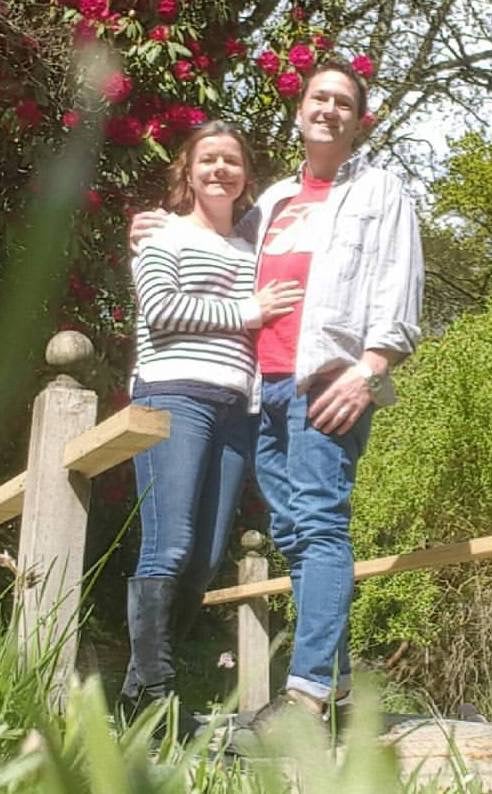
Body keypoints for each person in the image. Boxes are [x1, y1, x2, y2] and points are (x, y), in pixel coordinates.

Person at [129, 59, 424, 738]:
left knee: (320, 525)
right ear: (299, 111)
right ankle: (339, 683)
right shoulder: (273, 202)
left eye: (343, 102)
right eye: (318, 96)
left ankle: (307, 695)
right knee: (294, 534)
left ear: (359, 120)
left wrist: (370, 371)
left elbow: (400, 295)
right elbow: (209, 242)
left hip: (329, 381)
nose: (328, 109)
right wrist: (152, 228)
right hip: (264, 393)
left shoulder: (381, 191)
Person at [121, 120, 303, 740]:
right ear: (188, 171)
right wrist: (249, 312)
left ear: (245, 176)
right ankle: (161, 698)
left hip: (234, 409)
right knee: (167, 546)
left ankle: (134, 699)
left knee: (203, 558)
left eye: (231, 161)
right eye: (208, 160)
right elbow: (163, 311)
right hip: (173, 393)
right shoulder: (162, 235)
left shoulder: (251, 250)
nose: (219, 169)